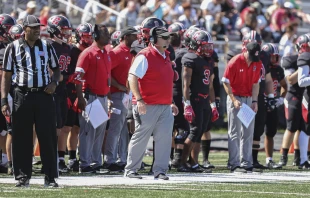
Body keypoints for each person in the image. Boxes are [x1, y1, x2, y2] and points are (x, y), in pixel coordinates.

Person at [1, 15, 60, 187]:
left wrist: (54, 83)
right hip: (22, 95)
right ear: (24, 28)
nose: (37, 30)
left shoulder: (47, 46)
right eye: (33, 27)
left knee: (47, 136)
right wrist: (4, 100)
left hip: (44, 95)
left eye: (38, 27)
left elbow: (57, 70)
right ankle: (22, 176)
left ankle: (50, 177)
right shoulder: (12, 48)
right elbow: (6, 76)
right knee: (21, 137)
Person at [125, 27, 178, 180]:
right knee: (141, 137)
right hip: (147, 104)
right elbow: (132, 77)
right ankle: (131, 170)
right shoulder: (145, 55)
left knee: (165, 138)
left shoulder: (166, 56)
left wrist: (171, 102)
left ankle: (160, 170)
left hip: (165, 105)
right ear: (154, 39)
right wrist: (139, 100)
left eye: (168, 37)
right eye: (164, 37)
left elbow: (166, 82)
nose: (167, 40)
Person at [177, 30, 218, 173]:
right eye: (204, 46)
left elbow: (211, 86)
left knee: (200, 132)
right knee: (194, 131)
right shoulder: (190, 58)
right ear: (195, 45)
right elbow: (185, 84)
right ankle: (182, 162)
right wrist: (187, 104)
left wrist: (213, 105)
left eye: (209, 46)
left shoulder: (208, 60)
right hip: (194, 99)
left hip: (205, 100)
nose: (208, 49)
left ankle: (193, 163)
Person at [73, 24, 111, 173]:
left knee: (99, 131)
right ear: (96, 36)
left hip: (101, 97)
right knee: (88, 131)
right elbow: (77, 77)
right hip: (90, 96)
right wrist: (80, 98)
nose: (108, 36)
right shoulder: (88, 53)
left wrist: (108, 96)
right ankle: (85, 163)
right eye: (105, 33)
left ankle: (95, 162)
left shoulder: (105, 53)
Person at [222, 41, 262, 173]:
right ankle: (233, 163)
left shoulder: (257, 63)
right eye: (252, 56)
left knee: (248, 132)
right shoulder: (234, 62)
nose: (253, 60)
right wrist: (233, 99)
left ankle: (246, 162)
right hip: (236, 97)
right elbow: (226, 83)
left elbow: (256, 84)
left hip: (248, 98)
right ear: (246, 51)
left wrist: (255, 101)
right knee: (234, 131)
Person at [104, 27, 138, 171]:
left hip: (127, 95)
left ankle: (122, 158)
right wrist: (119, 86)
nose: (136, 38)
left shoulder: (132, 52)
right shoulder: (117, 52)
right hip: (117, 94)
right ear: (126, 37)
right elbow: (106, 73)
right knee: (115, 128)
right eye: (134, 36)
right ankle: (109, 160)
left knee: (124, 129)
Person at [46, 15, 73, 173]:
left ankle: (57, 158)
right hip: (51, 90)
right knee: (53, 127)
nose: (67, 34)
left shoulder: (67, 48)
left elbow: (67, 72)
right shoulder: (47, 46)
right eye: (63, 31)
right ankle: (50, 158)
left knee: (61, 125)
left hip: (62, 90)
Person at [66, 23, 93, 172]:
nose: (88, 39)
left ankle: (76, 157)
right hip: (72, 92)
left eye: (90, 36)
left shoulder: (91, 51)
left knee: (79, 127)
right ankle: (69, 158)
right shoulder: (72, 51)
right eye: (85, 36)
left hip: (86, 91)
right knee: (68, 127)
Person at [279, 36, 307, 168]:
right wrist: (303, 66)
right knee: (291, 127)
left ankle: (298, 157)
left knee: (303, 128)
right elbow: (290, 80)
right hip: (293, 96)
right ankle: (283, 156)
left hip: (305, 96)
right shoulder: (291, 60)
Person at [261, 43, 287, 169]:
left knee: (270, 132)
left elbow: (284, 86)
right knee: (253, 132)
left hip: (272, 103)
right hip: (260, 102)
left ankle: (269, 159)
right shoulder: (260, 67)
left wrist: (281, 99)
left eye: (276, 57)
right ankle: (248, 158)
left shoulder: (278, 70)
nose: (275, 60)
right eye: (272, 57)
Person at [0, 14, 16, 174]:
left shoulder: (10, 47)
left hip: (7, 92)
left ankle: (6, 159)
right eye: (7, 28)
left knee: (6, 129)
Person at [296, 33, 310, 169]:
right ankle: (303, 159)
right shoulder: (305, 57)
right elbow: (301, 81)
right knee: (306, 128)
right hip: (309, 96)